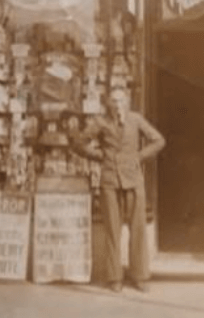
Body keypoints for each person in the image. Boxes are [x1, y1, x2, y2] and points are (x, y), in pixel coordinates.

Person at [74, 90, 166, 293]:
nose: (117, 105)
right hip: (110, 182)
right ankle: (114, 277)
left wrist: (139, 156)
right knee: (113, 231)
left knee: (138, 229)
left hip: (133, 181)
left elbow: (159, 140)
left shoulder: (136, 119)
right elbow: (79, 143)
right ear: (108, 103)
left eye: (121, 100)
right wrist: (99, 156)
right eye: (114, 101)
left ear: (127, 101)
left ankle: (139, 275)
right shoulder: (100, 122)